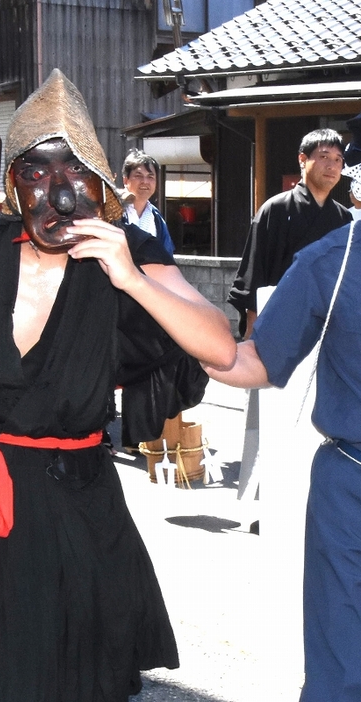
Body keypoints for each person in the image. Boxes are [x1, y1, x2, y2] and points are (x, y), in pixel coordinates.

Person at [0, 69, 236, 702]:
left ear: (98, 185)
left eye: (73, 173)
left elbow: (219, 345)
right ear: (12, 183)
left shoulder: (129, 254)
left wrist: (130, 278)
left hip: (77, 513)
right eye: (36, 173)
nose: (56, 193)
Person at [204, 213, 361, 702]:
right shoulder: (333, 262)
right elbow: (259, 359)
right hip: (352, 487)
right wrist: (175, 328)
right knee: (341, 661)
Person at [228, 129, 351, 339]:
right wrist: (252, 331)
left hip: (328, 325)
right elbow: (255, 272)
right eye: (324, 157)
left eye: (338, 160)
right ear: (303, 159)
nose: (332, 166)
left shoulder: (343, 218)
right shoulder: (275, 209)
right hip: (278, 320)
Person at [122, 148, 175, 255]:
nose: (145, 182)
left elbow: (167, 256)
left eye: (150, 176)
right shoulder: (113, 212)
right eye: (138, 176)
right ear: (125, 180)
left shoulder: (157, 218)